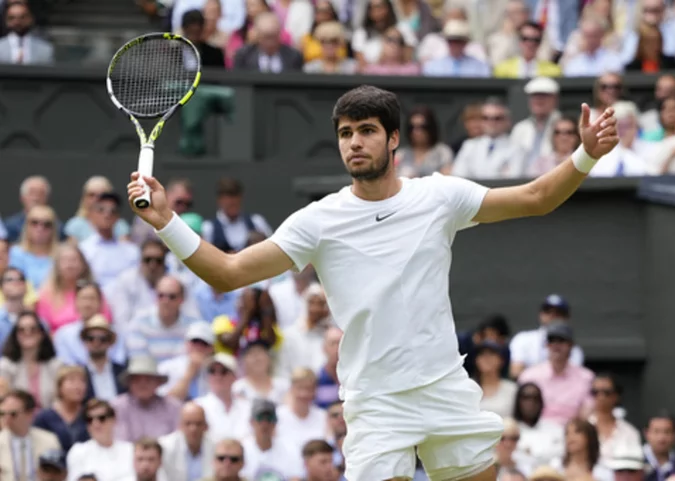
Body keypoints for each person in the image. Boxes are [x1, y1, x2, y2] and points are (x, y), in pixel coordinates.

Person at [127, 85, 619, 481]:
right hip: (376, 402)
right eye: (345, 133)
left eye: (366, 130)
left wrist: (585, 155)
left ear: (394, 139)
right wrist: (166, 221)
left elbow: (536, 198)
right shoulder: (317, 221)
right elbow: (227, 272)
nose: (354, 142)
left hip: (444, 386)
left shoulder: (439, 196)